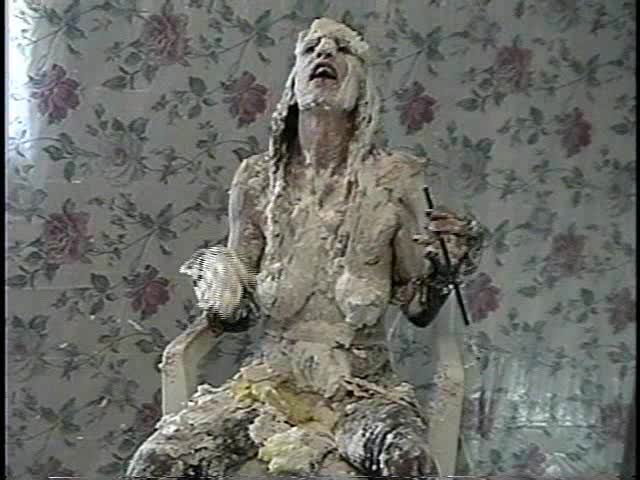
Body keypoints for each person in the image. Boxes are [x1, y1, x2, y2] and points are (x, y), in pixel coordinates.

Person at [127, 17, 484, 477]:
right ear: (293, 82)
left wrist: (448, 266)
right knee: (155, 463)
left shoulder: (396, 179)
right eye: (312, 48)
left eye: (342, 49)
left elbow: (417, 309)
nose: (325, 53)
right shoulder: (257, 180)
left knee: (410, 464)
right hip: (268, 388)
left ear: (362, 85)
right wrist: (219, 291)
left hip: (363, 392)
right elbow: (240, 313)